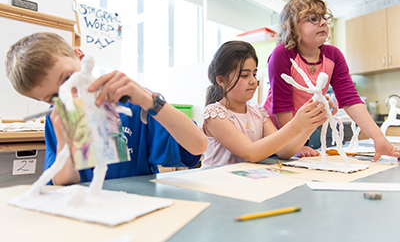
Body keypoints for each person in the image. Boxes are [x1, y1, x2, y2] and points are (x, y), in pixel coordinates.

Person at [5, 32, 207, 185]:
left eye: (68, 79)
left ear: (81, 58)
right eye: (54, 97)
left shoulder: (133, 102)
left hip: (137, 209)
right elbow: (63, 184)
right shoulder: (57, 119)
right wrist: (64, 141)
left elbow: (197, 147)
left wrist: (150, 101)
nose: (70, 95)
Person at [262, 0, 400, 162]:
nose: (322, 23)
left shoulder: (333, 56)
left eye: (324, 17)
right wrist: (294, 145)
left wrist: (378, 138)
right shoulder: (282, 54)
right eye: (312, 18)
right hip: (274, 130)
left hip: (302, 129)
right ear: (292, 26)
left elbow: (350, 99)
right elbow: (282, 105)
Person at [201, 40, 328, 167]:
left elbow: (285, 151)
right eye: (244, 75)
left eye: (254, 74)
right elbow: (252, 153)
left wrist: (310, 124)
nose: (252, 81)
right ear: (221, 80)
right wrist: (296, 124)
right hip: (218, 182)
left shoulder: (258, 113)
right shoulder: (215, 114)